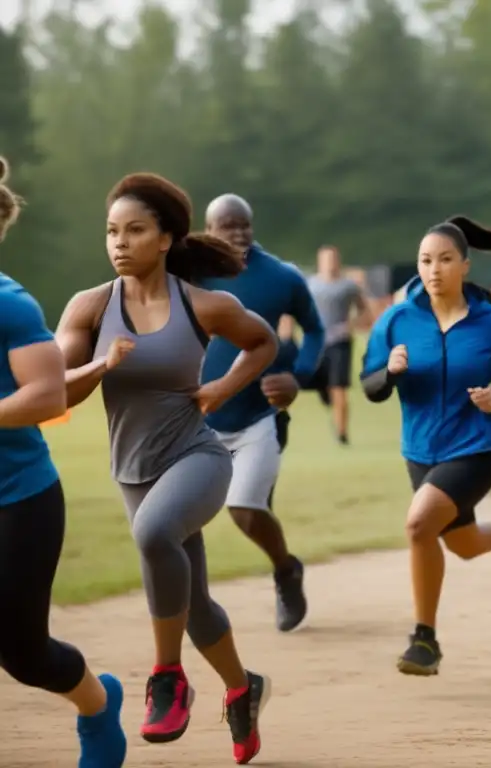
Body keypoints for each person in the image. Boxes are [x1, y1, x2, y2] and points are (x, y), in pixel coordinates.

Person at [55, 172, 277, 764]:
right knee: (194, 602)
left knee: (154, 534)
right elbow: (55, 390)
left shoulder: (202, 304)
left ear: (165, 238)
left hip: (197, 457)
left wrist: (222, 389)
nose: (119, 242)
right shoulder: (90, 307)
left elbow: (263, 343)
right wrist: (101, 365)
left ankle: (167, 678)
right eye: (111, 231)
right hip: (134, 472)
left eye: (134, 230)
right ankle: (241, 687)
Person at [360, 216, 491, 677]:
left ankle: (424, 639)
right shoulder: (397, 320)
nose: (434, 269)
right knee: (461, 543)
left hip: (475, 450)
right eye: (426, 260)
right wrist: (391, 372)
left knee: (419, 524)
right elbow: (371, 386)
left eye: (445, 260)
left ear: (464, 265)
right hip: (419, 453)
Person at [0, 157, 127, 767]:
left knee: (23, 654)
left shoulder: (11, 305)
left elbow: (46, 396)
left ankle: (98, 705)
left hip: (17, 499)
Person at [201, 194, 325, 633]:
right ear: (208, 227)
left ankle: (286, 570)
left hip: (259, 416)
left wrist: (299, 376)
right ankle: (187, 603)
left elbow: (315, 330)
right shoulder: (190, 271)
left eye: (244, 225)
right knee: (174, 516)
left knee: (245, 508)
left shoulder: (281, 277)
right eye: (226, 226)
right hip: (198, 417)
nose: (237, 234)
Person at [308, 245, 369, 444]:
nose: (330, 264)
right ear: (319, 262)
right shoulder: (311, 285)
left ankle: (342, 433)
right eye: (326, 259)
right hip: (316, 343)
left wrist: (350, 325)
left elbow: (363, 310)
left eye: (333, 259)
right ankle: (325, 394)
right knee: (320, 384)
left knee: (339, 387)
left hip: (340, 341)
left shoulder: (348, 286)